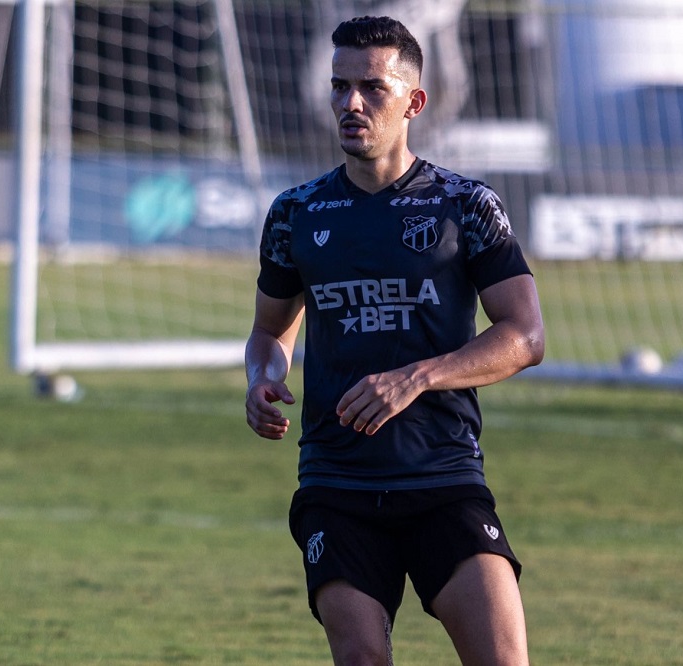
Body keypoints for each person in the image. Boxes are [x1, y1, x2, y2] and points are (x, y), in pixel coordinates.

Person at [245, 15, 543, 666]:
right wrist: (262, 377)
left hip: (443, 477)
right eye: (338, 86)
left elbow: (524, 336)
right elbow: (270, 330)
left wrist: (417, 377)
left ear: (414, 102)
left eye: (372, 88)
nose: (350, 103)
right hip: (337, 484)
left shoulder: (464, 205)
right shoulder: (296, 214)